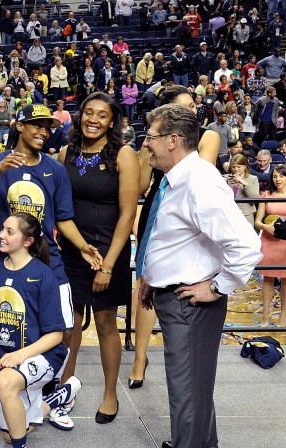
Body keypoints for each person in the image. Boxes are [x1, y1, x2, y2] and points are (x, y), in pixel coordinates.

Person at [137, 103, 262, 448]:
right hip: (176, 295)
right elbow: (173, 238)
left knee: (187, 394)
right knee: (193, 389)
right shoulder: (179, 179)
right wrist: (151, 276)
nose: (146, 144)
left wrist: (217, 287)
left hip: (190, 303)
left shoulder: (199, 182)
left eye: (151, 137)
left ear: (172, 140)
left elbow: (246, 246)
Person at [0, 104, 102, 429]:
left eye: (47, 127)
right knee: (5, 321)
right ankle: (31, 395)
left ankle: (56, 391)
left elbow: (63, 218)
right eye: (37, 125)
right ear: (19, 125)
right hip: (3, 264)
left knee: (64, 329)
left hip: (48, 263)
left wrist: (83, 247)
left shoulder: (55, 169)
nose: (43, 132)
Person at [130, 85, 221, 391]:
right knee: (145, 282)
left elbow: (196, 172)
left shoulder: (207, 135)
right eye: (182, 108)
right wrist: (148, 145)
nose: (192, 111)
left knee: (173, 285)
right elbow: (141, 184)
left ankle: (177, 357)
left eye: (193, 106)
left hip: (185, 213)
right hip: (156, 208)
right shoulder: (155, 141)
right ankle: (139, 359)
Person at [58, 92, 139, 424]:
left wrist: (106, 263)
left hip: (109, 251)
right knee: (68, 323)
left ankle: (110, 395)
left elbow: (127, 214)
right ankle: (63, 389)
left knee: (106, 323)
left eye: (101, 115)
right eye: (88, 113)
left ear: (113, 122)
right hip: (73, 251)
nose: (93, 119)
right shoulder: (66, 153)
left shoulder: (124, 154)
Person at [0, 212, 80, 448]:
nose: (0, 235)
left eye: (9, 232)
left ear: (28, 241)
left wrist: (21, 355)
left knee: (3, 383)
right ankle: (56, 398)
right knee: (10, 433)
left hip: (43, 355)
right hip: (10, 361)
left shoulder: (44, 275)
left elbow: (56, 335)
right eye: (2, 229)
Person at [254, 164, 286, 327]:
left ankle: (283, 318)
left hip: (285, 242)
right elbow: (258, 221)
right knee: (268, 278)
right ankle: (266, 317)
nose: (277, 179)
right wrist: (266, 227)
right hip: (269, 241)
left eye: (281, 176)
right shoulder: (266, 194)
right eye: (274, 176)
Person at [227, 154, 259, 227]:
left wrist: (244, 184)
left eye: (238, 167)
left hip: (246, 214)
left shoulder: (253, 178)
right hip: (231, 212)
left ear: (245, 166)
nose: (235, 169)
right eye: (233, 167)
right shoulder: (228, 178)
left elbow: (255, 198)